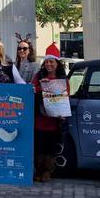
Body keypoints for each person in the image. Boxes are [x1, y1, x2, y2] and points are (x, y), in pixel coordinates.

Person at [32, 43, 68, 183]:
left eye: (51, 62)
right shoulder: (39, 76)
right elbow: (32, 91)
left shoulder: (62, 79)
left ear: (57, 63)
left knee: (50, 148)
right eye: (46, 62)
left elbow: (66, 97)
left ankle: (47, 171)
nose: (48, 64)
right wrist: (42, 86)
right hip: (39, 119)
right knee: (39, 147)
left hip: (54, 121)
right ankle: (39, 170)